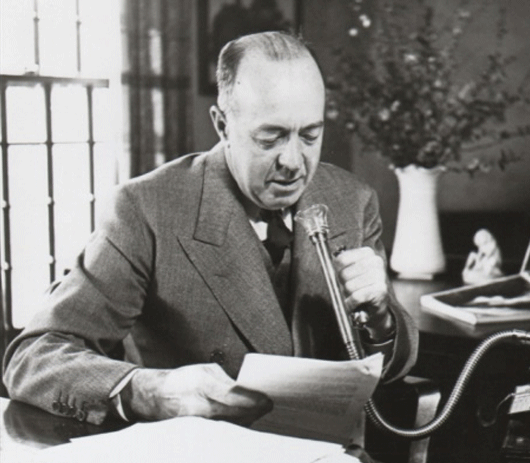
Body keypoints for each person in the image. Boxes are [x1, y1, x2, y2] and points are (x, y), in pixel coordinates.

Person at [2, 32, 418, 426]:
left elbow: (393, 365)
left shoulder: (352, 201)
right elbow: (33, 357)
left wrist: (381, 319)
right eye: (270, 138)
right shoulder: (148, 209)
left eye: (310, 135)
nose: (293, 162)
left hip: (332, 459)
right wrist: (145, 391)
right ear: (222, 125)